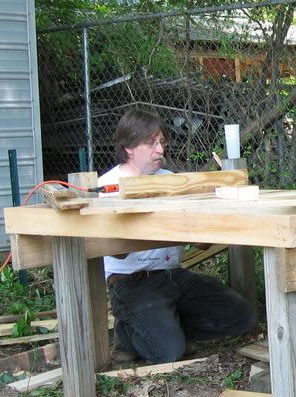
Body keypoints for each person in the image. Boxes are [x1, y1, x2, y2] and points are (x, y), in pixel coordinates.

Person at [99, 107, 255, 363]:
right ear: (128, 147)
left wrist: (214, 218)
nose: (160, 150)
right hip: (131, 283)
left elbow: (202, 244)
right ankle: (127, 333)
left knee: (242, 316)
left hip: (173, 277)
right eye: (151, 143)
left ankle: (167, 328)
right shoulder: (108, 187)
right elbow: (116, 251)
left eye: (162, 142)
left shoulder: (172, 181)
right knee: (168, 353)